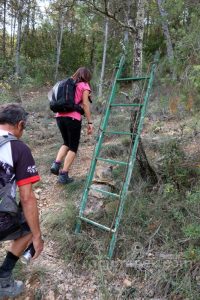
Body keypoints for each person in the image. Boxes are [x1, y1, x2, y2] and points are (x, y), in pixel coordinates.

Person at [0, 104, 44, 297]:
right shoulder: (18, 148)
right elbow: (27, 198)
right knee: (28, 228)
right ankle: (3, 278)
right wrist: (37, 236)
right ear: (20, 124)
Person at [50, 67, 94, 184]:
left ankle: (56, 164)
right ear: (87, 76)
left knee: (66, 143)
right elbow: (85, 104)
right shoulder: (84, 85)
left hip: (59, 116)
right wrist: (90, 122)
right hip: (73, 118)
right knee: (73, 147)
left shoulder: (66, 83)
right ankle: (63, 175)